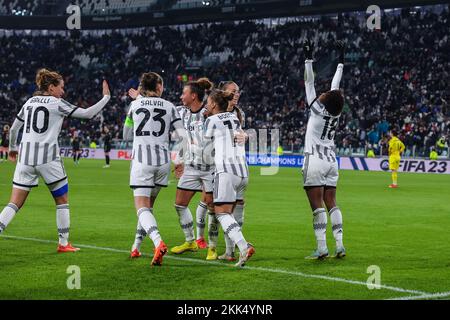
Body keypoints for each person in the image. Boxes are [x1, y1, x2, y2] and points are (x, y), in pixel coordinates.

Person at [0, 68, 110, 252]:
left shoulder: (28, 102)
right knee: (62, 200)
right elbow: (88, 114)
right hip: (48, 159)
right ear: (51, 88)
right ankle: (64, 243)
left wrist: (12, 149)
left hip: (25, 159)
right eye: (61, 87)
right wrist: (106, 97)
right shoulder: (57, 103)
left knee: (14, 203)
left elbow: (13, 130)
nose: (63, 92)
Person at [123, 72, 187, 266]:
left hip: (142, 161)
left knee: (141, 208)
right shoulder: (169, 107)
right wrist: (180, 160)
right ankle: (136, 247)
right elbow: (183, 136)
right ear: (159, 87)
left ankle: (158, 242)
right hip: (162, 163)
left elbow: (126, 135)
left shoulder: (135, 105)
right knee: (148, 208)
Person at [301, 39, 346, 260]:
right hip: (331, 161)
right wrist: (340, 63)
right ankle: (339, 245)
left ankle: (321, 248)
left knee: (316, 206)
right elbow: (335, 86)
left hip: (315, 160)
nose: (324, 93)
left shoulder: (317, 110)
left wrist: (308, 59)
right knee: (332, 203)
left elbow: (309, 83)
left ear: (325, 100)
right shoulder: (336, 111)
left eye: (326, 94)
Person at [168, 78, 219, 258]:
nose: (181, 96)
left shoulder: (209, 112)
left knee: (213, 208)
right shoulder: (180, 112)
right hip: (191, 167)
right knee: (180, 204)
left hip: (210, 168)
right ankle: (190, 241)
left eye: (184, 93)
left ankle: (212, 247)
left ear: (194, 96)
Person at [203, 89, 255, 267]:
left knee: (222, 213)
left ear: (214, 104)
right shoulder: (233, 117)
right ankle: (231, 251)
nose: (207, 104)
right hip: (242, 171)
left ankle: (243, 246)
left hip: (226, 171)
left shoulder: (211, 120)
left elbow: (204, 144)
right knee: (231, 212)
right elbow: (240, 135)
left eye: (208, 102)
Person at [215, 80, 247, 262]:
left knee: (233, 209)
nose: (237, 94)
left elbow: (241, 135)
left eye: (238, 91)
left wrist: (246, 135)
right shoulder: (216, 111)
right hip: (219, 165)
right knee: (217, 209)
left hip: (235, 166)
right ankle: (211, 245)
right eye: (233, 91)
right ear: (224, 92)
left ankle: (231, 250)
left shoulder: (239, 113)